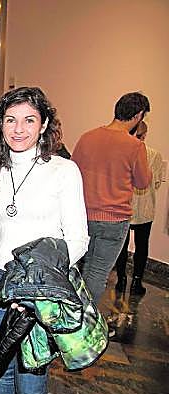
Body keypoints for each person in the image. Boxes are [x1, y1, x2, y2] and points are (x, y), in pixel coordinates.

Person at [0, 87, 89, 394]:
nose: (18, 129)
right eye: (10, 120)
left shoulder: (63, 171)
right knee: (0, 379)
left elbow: (78, 240)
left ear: (44, 123)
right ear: (0, 124)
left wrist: (36, 289)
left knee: (31, 390)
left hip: (38, 291)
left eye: (29, 120)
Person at [71, 92, 152, 303]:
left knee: (79, 270)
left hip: (82, 216)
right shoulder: (135, 146)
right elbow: (143, 182)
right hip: (114, 220)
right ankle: (85, 319)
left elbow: (71, 173)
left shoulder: (87, 137)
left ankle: (71, 315)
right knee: (97, 273)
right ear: (138, 116)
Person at [114, 121, 164, 295]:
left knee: (122, 246)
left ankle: (121, 280)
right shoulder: (154, 155)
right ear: (144, 135)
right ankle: (137, 282)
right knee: (142, 246)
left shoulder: (121, 152)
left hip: (123, 207)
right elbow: (156, 182)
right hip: (145, 209)